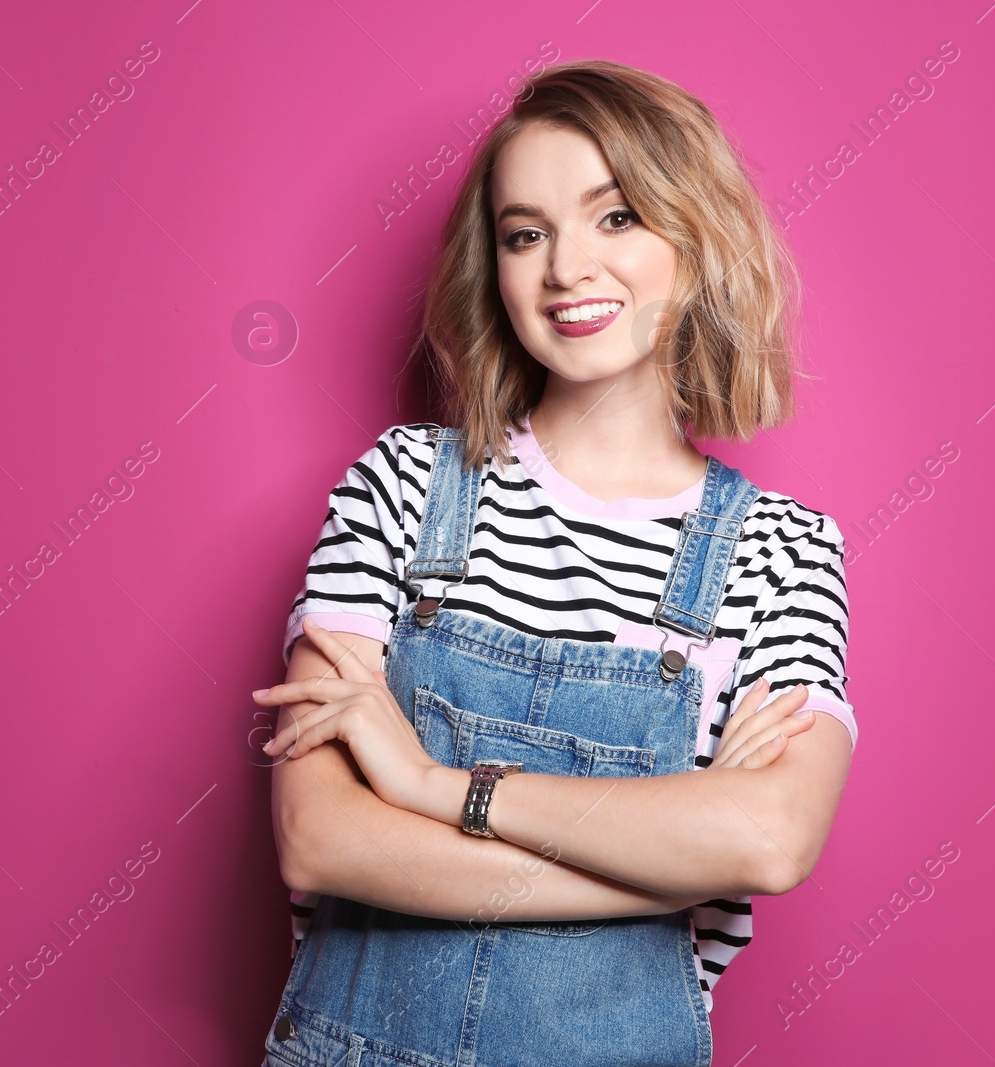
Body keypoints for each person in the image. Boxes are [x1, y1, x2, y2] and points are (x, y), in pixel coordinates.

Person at [252, 59, 856, 1067]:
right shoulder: (401, 485)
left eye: (614, 217)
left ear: (694, 237)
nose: (567, 266)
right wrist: (664, 869)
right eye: (525, 233)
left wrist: (425, 782)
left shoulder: (781, 549)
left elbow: (769, 837)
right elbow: (320, 836)